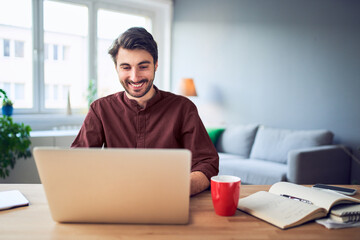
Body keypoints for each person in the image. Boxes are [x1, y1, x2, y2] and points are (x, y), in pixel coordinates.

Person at [71, 27, 219, 196]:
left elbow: (207, 163)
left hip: (170, 200)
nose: (135, 77)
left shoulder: (183, 108)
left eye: (143, 66)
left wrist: (178, 189)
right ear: (116, 68)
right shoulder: (100, 109)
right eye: (126, 67)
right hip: (115, 199)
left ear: (156, 64)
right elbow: (78, 162)